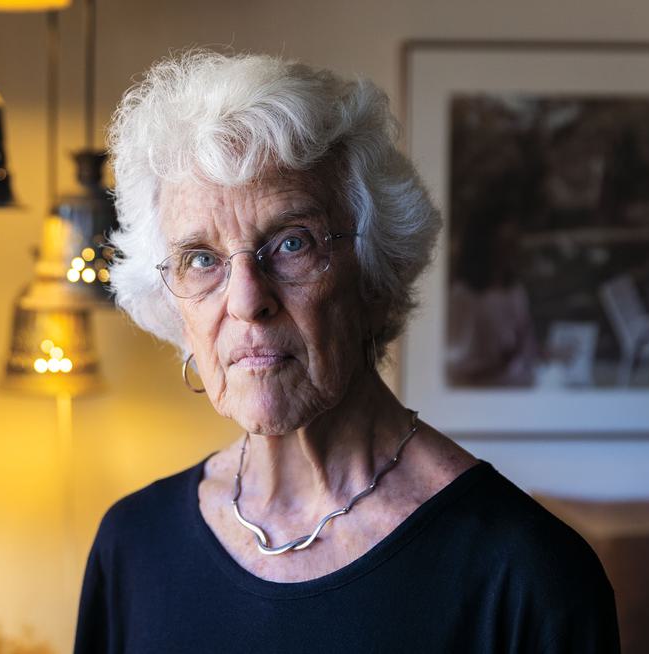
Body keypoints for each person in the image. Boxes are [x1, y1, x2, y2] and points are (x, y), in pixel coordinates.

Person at [74, 51, 619, 653]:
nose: (248, 301)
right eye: (201, 258)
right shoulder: (133, 548)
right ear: (174, 305)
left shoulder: (525, 575)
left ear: (375, 276)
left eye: (290, 243)